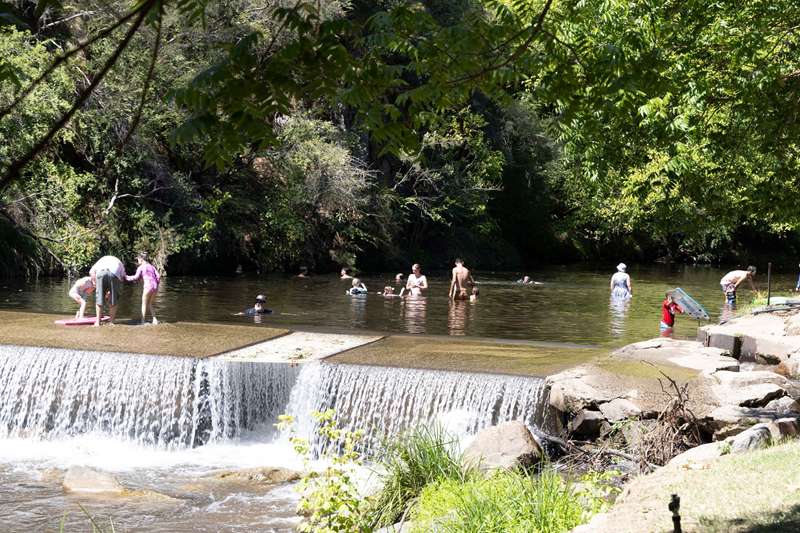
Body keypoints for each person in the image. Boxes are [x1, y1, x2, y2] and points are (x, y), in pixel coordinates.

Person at [89, 255, 127, 326]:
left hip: (100, 273)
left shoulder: (101, 260)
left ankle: (97, 322)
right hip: (114, 273)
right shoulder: (119, 262)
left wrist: (94, 283)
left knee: (99, 299)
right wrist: (113, 291)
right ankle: (111, 322)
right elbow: (122, 277)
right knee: (113, 299)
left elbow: (91, 272)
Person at [126, 252, 161, 324]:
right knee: (150, 303)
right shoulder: (152, 266)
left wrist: (126, 277)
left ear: (141, 259)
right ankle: (155, 320)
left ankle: (142, 321)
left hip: (148, 286)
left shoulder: (141, 267)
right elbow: (158, 276)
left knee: (144, 304)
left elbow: (135, 277)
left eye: (138, 259)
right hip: (155, 287)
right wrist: (156, 284)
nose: (137, 261)